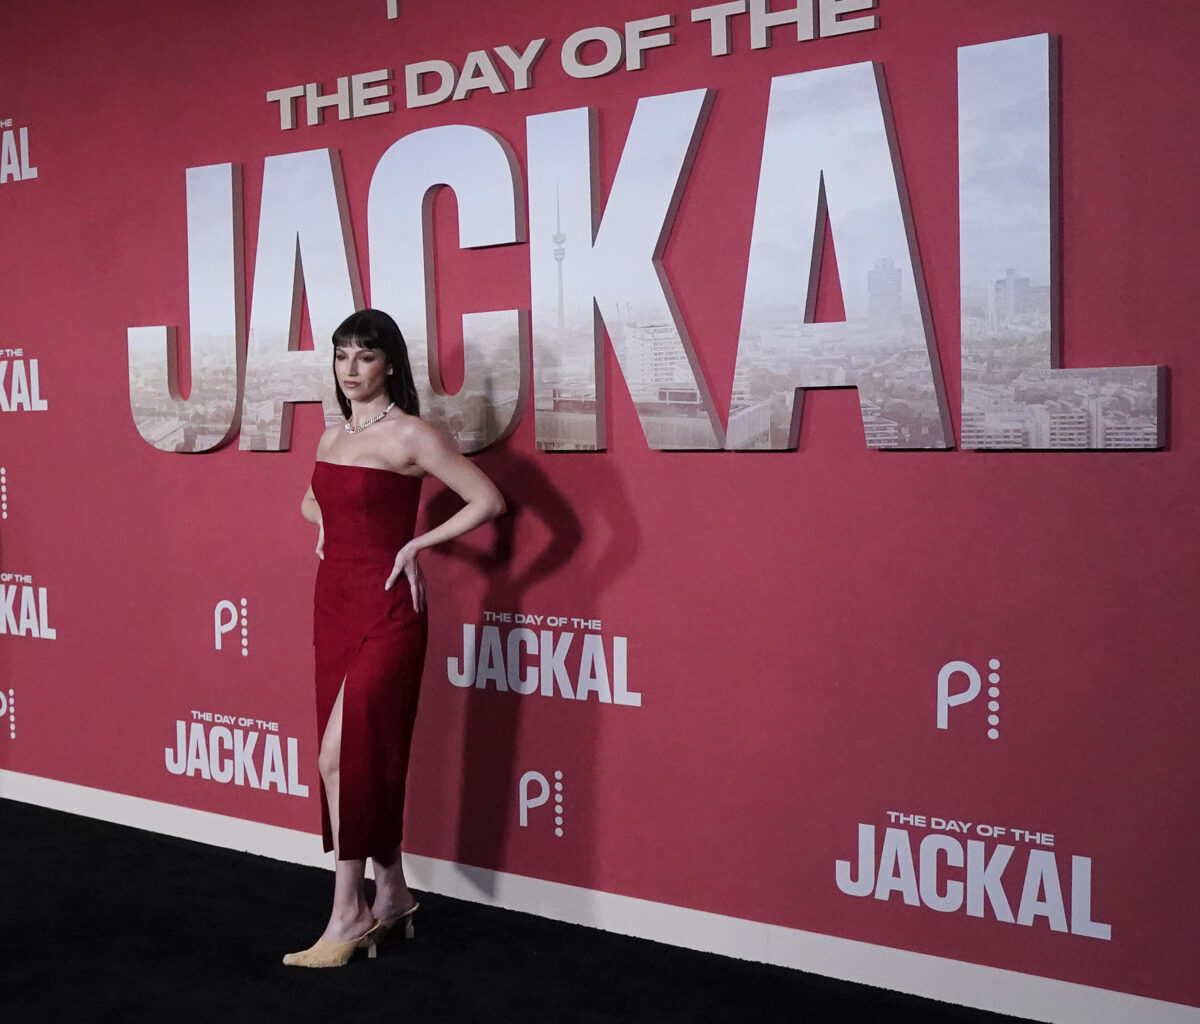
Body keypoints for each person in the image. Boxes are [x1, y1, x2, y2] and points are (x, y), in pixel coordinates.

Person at [285, 308, 505, 967]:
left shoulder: (412, 434)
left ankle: (347, 915)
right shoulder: (329, 438)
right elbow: (315, 498)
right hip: (334, 603)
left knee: (341, 758)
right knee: (364, 755)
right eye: (342, 356)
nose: (351, 369)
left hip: (388, 607)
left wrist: (417, 545)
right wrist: (322, 523)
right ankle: (395, 895)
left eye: (365, 357)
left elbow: (486, 500)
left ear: (390, 365)